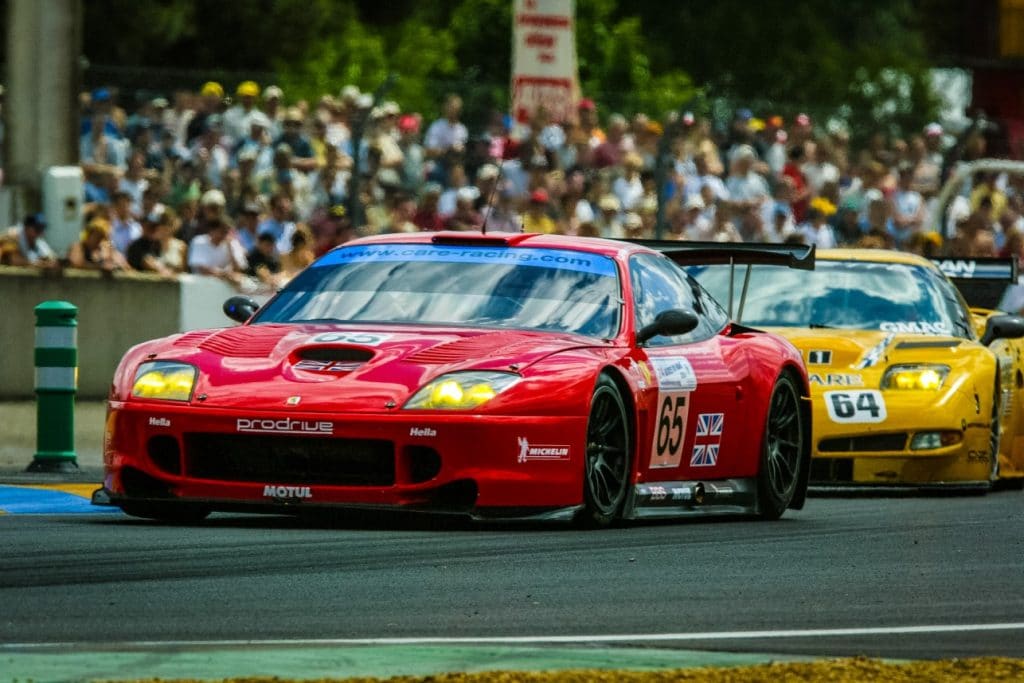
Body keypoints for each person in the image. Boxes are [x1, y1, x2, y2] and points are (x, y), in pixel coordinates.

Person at [187, 217, 247, 283]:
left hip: (224, 287)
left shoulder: (232, 243)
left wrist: (230, 248)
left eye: (226, 232)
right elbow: (201, 268)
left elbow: (238, 270)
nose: (224, 235)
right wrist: (223, 274)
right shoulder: (198, 241)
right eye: (222, 231)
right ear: (211, 230)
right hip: (201, 285)